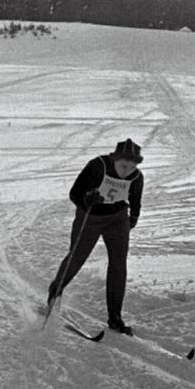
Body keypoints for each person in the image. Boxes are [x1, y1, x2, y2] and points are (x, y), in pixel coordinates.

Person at [47, 138, 144, 335]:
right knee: (77, 257)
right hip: (90, 217)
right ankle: (55, 293)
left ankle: (115, 317)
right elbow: (74, 193)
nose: (127, 171)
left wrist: (130, 221)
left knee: (118, 264)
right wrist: (87, 199)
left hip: (117, 219)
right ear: (115, 159)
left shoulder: (136, 177)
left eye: (132, 167)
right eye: (124, 165)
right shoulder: (98, 166)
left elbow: (135, 201)